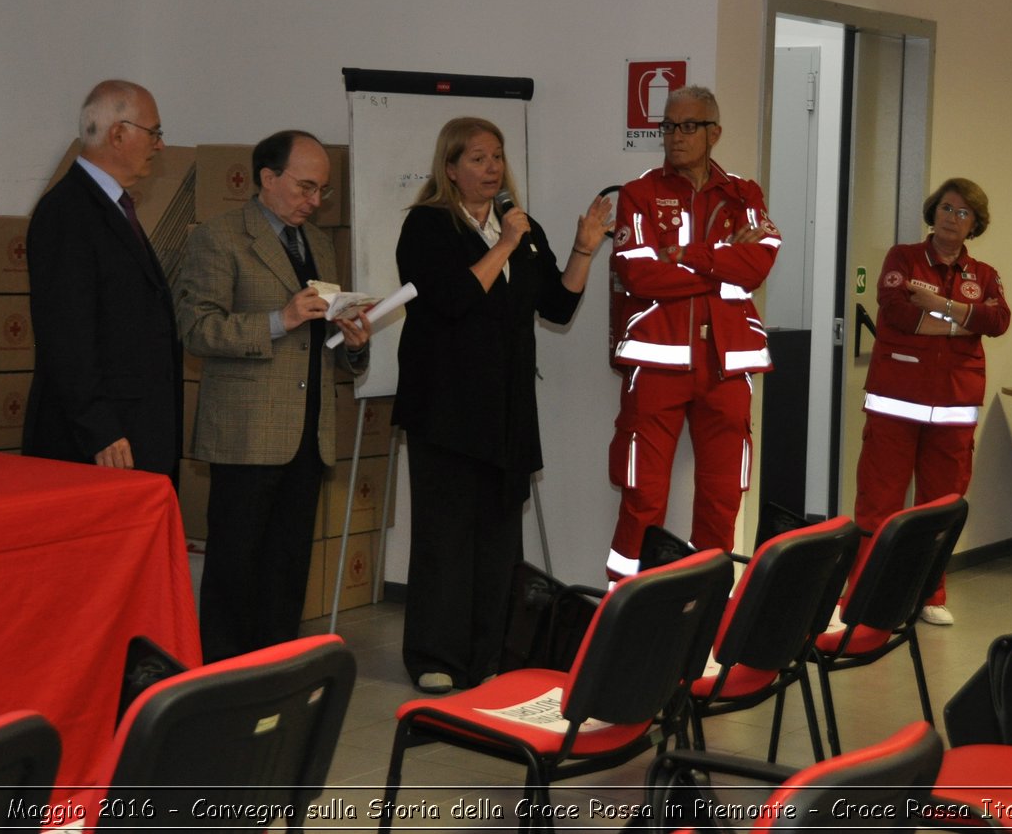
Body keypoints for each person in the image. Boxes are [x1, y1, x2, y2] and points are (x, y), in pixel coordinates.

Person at [394, 116, 610, 694]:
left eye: (497, 158)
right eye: (478, 159)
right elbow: (455, 299)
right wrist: (507, 244)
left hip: (507, 408)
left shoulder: (523, 225)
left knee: (497, 538)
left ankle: (489, 653)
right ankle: (434, 657)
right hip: (444, 407)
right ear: (450, 169)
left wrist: (584, 251)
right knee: (446, 536)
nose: (492, 170)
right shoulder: (427, 227)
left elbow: (557, 309)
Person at [176, 130, 371, 663]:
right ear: (267, 178)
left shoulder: (320, 243)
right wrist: (279, 320)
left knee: (287, 567)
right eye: (305, 188)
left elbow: (321, 339)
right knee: (236, 569)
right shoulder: (218, 237)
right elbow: (196, 330)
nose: (314, 201)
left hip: (308, 431)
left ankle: (276, 672)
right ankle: (221, 677)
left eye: (322, 191)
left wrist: (351, 344)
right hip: (246, 433)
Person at [605, 84, 780, 580]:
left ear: (714, 133)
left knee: (722, 496)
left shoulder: (744, 192)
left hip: (729, 364)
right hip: (657, 360)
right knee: (643, 495)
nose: (674, 137)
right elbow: (639, 274)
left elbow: (757, 265)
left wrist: (688, 256)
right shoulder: (639, 194)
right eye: (667, 126)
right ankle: (624, 604)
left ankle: (708, 612)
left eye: (687, 127)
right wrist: (723, 259)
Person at [851, 178, 1010, 627]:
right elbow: (896, 310)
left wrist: (940, 305)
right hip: (896, 404)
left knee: (940, 507)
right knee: (878, 502)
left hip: (955, 411)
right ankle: (865, 592)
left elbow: (997, 321)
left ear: (975, 223)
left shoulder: (984, 274)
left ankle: (929, 593)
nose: (952, 218)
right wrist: (964, 320)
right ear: (932, 211)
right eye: (945, 208)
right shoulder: (902, 258)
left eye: (963, 212)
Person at [23, 80, 182, 480]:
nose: (160, 145)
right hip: (97, 445)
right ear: (118, 134)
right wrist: (100, 430)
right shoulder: (68, 211)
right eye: (155, 132)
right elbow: (65, 335)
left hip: (133, 433)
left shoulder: (112, 207)